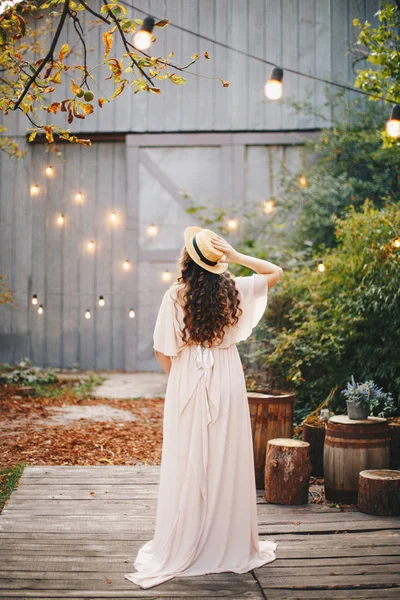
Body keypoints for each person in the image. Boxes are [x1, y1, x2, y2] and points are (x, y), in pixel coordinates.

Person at [124, 226, 283, 589]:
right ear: (216, 263)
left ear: (188, 260)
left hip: (188, 379)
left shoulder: (176, 295)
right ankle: (225, 542)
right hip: (227, 376)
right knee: (226, 456)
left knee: (188, 456)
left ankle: (190, 536)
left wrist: (181, 379)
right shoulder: (235, 289)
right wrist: (238, 258)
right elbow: (275, 273)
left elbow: (163, 350)